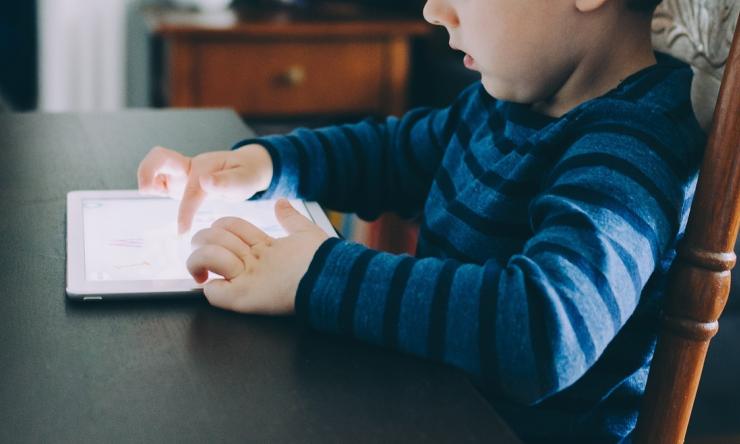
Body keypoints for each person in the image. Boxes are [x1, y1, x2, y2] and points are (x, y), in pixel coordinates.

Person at [137, 0, 707, 441]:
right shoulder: (506, 103)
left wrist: (317, 271)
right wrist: (267, 163)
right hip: (430, 405)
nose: (434, 10)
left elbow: (545, 329)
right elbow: (390, 154)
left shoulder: (635, 145)